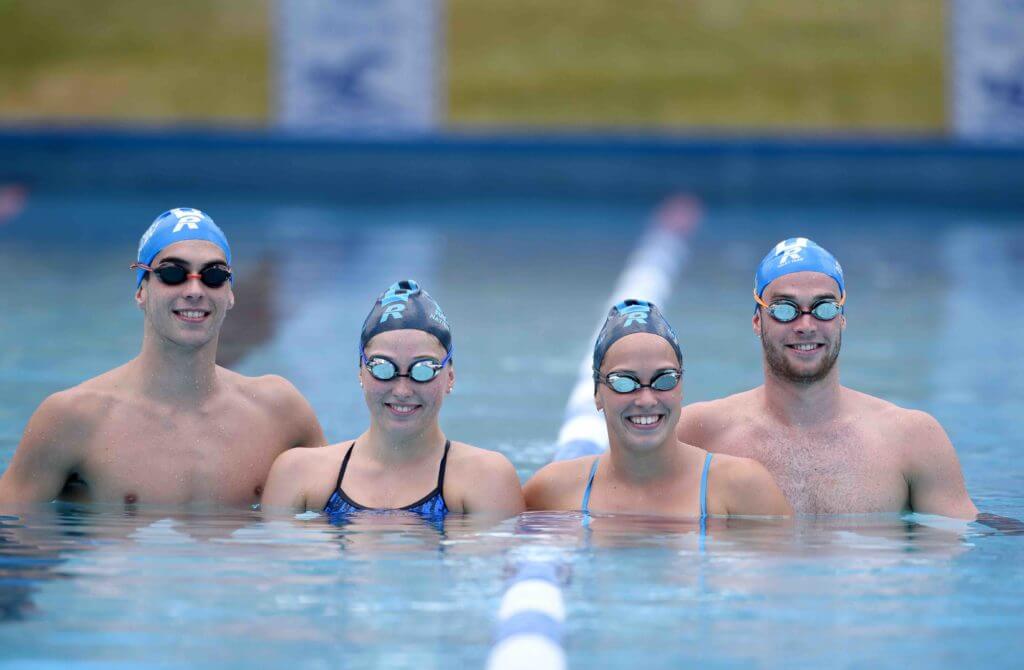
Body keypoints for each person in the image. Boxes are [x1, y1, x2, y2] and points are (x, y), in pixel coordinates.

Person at [0, 207, 325, 507]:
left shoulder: (281, 412)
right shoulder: (72, 418)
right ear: (142, 291)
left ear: (229, 293)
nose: (195, 290)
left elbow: (342, 513)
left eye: (213, 275)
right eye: (172, 273)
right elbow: (14, 542)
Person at [677, 237, 978, 518]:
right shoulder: (698, 433)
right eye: (785, 309)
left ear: (842, 318)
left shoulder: (912, 439)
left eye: (823, 307)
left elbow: (959, 549)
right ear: (758, 320)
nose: (806, 324)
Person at [262, 280, 524, 521]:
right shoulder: (298, 474)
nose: (402, 389)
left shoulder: (486, 478)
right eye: (382, 367)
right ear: (361, 371)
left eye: (423, 369)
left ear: (450, 376)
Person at [524, 300, 791, 517]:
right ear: (596, 394)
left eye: (664, 379)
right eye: (624, 382)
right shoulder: (553, 492)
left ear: (681, 386)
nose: (646, 399)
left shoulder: (741, 488)